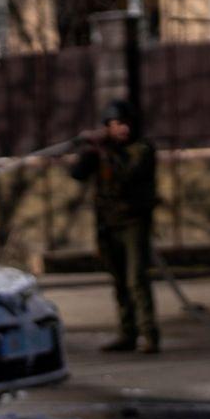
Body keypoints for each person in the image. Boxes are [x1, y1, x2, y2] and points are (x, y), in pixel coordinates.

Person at [69, 98, 159, 353]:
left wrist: (104, 149)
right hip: (107, 225)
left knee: (136, 280)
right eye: (117, 124)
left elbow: (126, 174)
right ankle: (127, 332)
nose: (123, 129)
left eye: (126, 123)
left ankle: (149, 334)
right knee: (119, 280)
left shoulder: (142, 150)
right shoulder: (103, 152)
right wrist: (88, 150)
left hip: (133, 224)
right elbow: (78, 174)